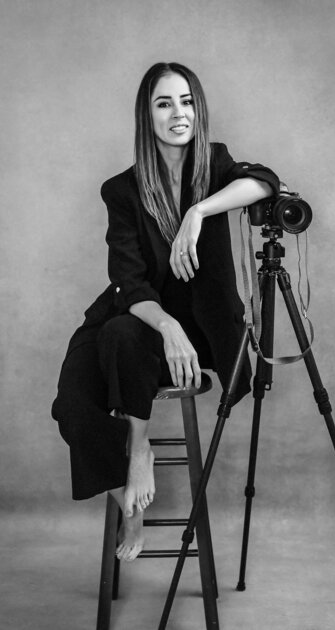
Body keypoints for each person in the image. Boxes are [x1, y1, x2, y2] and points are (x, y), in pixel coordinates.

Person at [52, 62, 280, 562]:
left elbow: (266, 182)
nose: (179, 113)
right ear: (146, 115)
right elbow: (129, 282)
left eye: (187, 101)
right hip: (137, 314)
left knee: (124, 337)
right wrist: (167, 325)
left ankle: (134, 454)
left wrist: (198, 213)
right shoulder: (122, 190)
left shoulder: (216, 166)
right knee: (73, 403)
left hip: (195, 327)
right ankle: (132, 482)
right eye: (164, 103)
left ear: (197, 109)